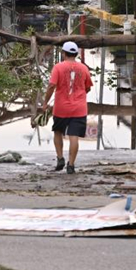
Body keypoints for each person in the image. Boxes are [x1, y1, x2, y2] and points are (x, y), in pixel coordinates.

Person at [41, 41, 93, 174]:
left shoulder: (58, 68)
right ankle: (71, 164)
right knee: (74, 135)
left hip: (61, 108)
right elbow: (87, 87)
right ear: (75, 54)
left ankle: (60, 158)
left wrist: (45, 102)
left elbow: (52, 86)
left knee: (58, 131)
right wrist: (79, 96)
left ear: (64, 53)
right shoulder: (84, 68)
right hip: (79, 108)